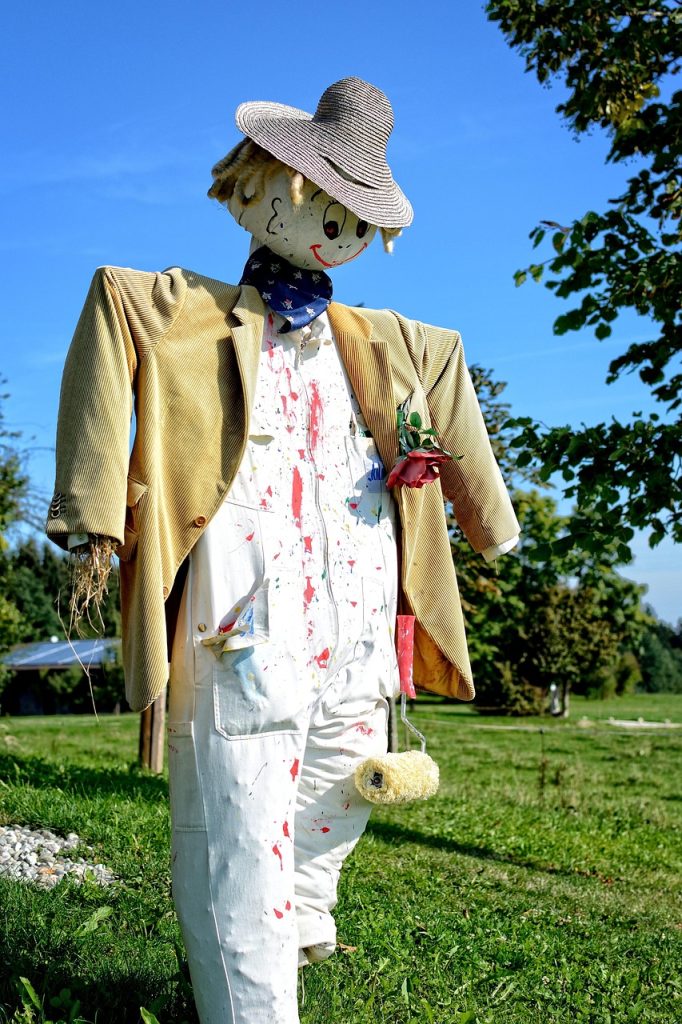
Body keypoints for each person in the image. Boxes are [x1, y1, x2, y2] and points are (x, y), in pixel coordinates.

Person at [47, 77, 519, 1024]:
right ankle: (252, 1002)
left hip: (358, 618)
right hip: (243, 616)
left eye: (357, 217)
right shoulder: (183, 309)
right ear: (254, 187)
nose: (337, 230)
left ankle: (297, 916)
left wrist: (489, 522)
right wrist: (95, 514)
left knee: (348, 784)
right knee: (241, 824)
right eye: (322, 203)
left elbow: (450, 366)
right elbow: (109, 305)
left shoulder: (389, 342)